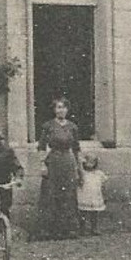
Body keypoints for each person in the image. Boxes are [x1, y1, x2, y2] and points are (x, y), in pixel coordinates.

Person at [36, 98, 83, 239]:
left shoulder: (72, 127)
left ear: (67, 110)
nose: (61, 110)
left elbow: (76, 148)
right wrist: (42, 164)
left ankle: (68, 230)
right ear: (54, 110)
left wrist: (78, 169)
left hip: (68, 162)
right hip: (53, 161)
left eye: (63, 108)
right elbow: (41, 147)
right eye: (58, 108)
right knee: (51, 194)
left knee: (68, 194)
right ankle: (49, 230)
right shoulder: (48, 126)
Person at [76, 153, 108, 235]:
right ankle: (82, 229)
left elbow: (103, 185)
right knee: (83, 213)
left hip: (95, 197)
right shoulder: (82, 174)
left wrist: (104, 195)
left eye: (92, 162)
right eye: (87, 162)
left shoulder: (99, 174)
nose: (89, 165)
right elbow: (78, 182)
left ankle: (94, 228)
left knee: (94, 214)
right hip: (84, 197)